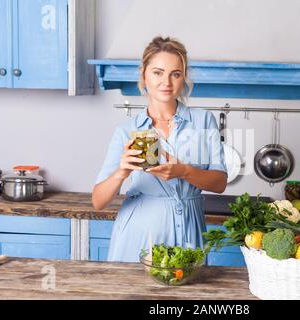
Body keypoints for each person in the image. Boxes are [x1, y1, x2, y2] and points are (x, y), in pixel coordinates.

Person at [92, 36, 228, 262]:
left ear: (183, 78)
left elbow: (220, 183)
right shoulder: (127, 131)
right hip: (138, 235)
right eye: (157, 72)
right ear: (144, 75)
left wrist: (183, 171)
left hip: (189, 231)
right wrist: (122, 172)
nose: (166, 81)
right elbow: (98, 201)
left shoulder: (204, 121)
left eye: (175, 74)